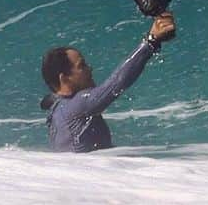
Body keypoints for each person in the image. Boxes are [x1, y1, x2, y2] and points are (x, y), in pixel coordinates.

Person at [39, 10, 176, 152]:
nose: (89, 69)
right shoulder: (77, 105)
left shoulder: (57, 106)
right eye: (82, 66)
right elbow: (116, 83)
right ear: (64, 79)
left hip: (75, 170)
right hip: (88, 172)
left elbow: (48, 101)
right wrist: (151, 42)